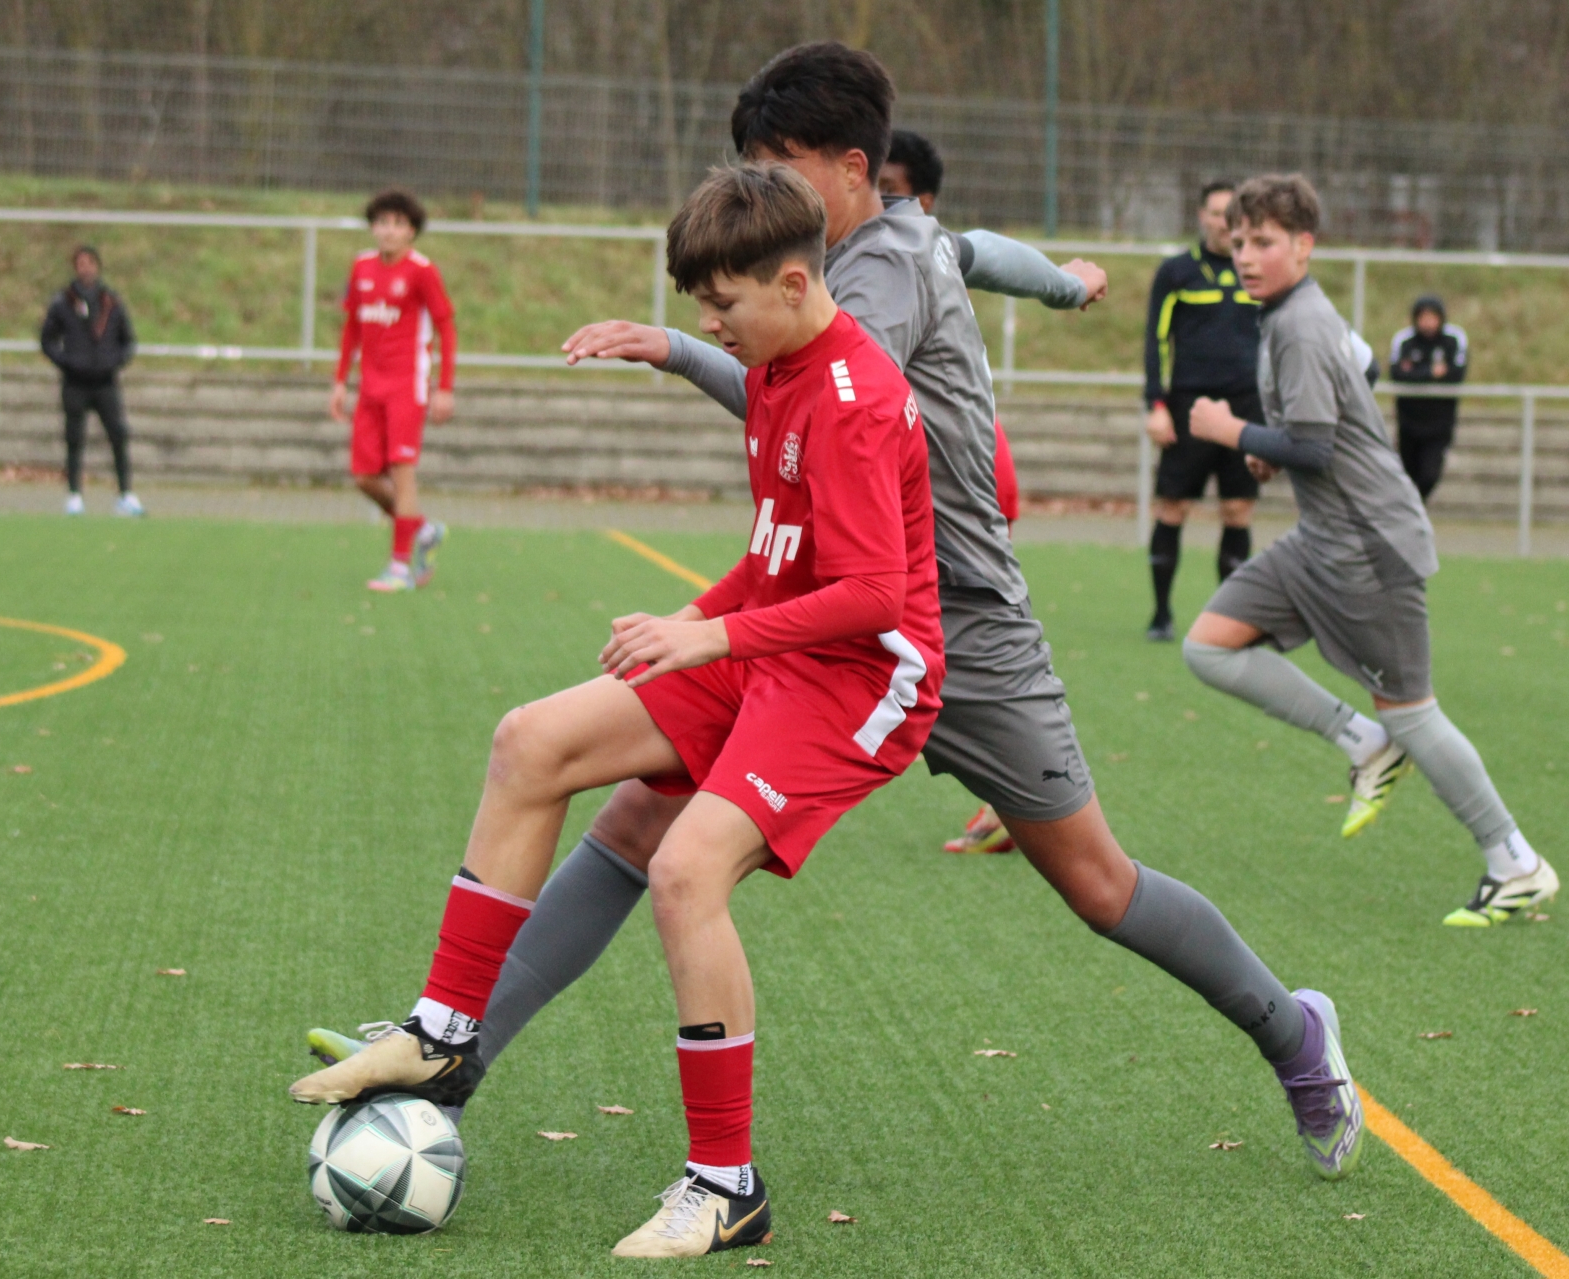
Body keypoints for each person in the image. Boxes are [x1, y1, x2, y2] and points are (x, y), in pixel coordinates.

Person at [312, 43, 1364, 1193]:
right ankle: (453, 1056)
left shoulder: (868, 283)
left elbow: (801, 382)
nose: (764, 186)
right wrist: (1061, 283)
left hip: (952, 627)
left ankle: (1294, 1032)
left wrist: (678, 349)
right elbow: (979, 250)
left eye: (782, 164)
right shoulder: (891, 235)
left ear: (852, 170)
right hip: (817, 622)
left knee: (1098, 884)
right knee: (634, 823)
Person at [292, 163, 945, 1258]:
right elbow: (778, 557)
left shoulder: (853, 399)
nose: (710, 326)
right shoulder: (778, 365)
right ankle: (442, 1034)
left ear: (792, 284)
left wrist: (711, 637)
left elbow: (875, 594)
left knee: (685, 872)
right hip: (773, 645)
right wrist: (693, 616)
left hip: (861, 679)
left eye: (723, 304)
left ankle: (725, 1186)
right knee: (531, 740)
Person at [1183, 174, 1558, 928]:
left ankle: (1515, 862)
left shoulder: (1299, 324)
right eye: (1239, 240)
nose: (1246, 255)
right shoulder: (1289, 313)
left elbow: (1317, 448)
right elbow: (1359, 374)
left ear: (1304, 246)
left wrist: (1231, 432)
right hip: (1322, 539)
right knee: (1209, 646)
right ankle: (1363, 743)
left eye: (1264, 242)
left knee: (1414, 714)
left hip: (1370, 548)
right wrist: (1270, 448)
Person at [877, 126, 1024, 855]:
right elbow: (996, 253)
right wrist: (1065, 283)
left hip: (957, 483)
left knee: (939, 653)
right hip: (948, 476)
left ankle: (1017, 793)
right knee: (938, 651)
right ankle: (1013, 793)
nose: (875, 200)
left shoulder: (904, 256)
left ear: (922, 201)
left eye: (890, 190)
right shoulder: (903, 253)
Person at [1141, 180, 1263, 641]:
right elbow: (1156, 340)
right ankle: (1161, 615)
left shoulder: (1258, 272)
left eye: (1232, 215)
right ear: (1201, 216)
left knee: (1237, 509)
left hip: (1247, 407)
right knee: (1173, 507)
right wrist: (1156, 404)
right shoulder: (1177, 272)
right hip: (1189, 408)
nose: (1224, 223)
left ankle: (1230, 621)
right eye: (1216, 213)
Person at [331, 189, 454, 592]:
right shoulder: (362, 266)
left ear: (412, 231)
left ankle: (399, 567)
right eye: (383, 222)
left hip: (407, 386)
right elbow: (352, 327)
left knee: (402, 472)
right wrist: (339, 381)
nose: (389, 230)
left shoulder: (422, 271)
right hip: (370, 387)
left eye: (399, 224)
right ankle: (423, 529)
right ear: (373, 226)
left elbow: (446, 327)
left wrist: (444, 387)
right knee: (364, 477)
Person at [39, 245, 143, 517]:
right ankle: (74, 495)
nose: (85, 269)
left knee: (118, 435)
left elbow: (128, 341)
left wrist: (113, 361)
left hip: (105, 382)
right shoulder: (63, 302)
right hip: (75, 382)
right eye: (80, 264)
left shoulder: (111, 301)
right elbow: (47, 340)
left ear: (97, 266)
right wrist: (67, 362)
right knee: (74, 438)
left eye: (89, 263)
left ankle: (125, 494)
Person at [1388, 295, 1468, 499]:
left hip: (1439, 424)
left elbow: (1455, 375)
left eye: (1432, 317)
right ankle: (1411, 513)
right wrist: (1431, 372)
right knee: (1407, 476)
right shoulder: (1404, 341)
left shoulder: (1454, 339)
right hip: (1408, 422)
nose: (1428, 323)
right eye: (1423, 317)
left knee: (1429, 476)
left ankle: (1414, 510)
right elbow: (1397, 375)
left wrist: (1416, 373)